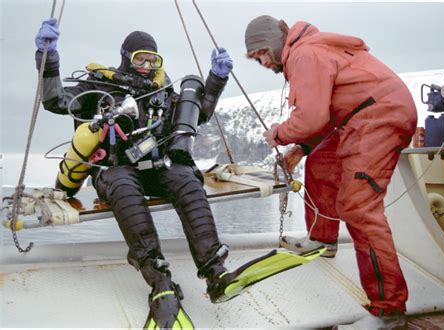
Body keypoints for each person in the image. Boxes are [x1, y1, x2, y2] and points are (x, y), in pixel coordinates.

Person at [35, 18, 238, 329]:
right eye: (139, 58)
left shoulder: (161, 91)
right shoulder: (100, 87)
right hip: (114, 169)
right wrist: (48, 58)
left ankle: (215, 272)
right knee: (121, 184)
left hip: (156, 168)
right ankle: (160, 282)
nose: (146, 65)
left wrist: (215, 80)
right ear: (125, 58)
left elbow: (201, 112)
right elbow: (55, 101)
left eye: (152, 59)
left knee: (186, 176)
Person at [245, 15, 417, 329]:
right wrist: (302, 148)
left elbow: (310, 118)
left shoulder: (304, 54)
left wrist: (279, 134)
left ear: (270, 44)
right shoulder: (309, 49)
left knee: (359, 208)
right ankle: (323, 240)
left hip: (377, 118)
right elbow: (325, 117)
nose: (264, 64)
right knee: (321, 160)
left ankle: (388, 310)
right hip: (364, 115)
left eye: (261, 55)